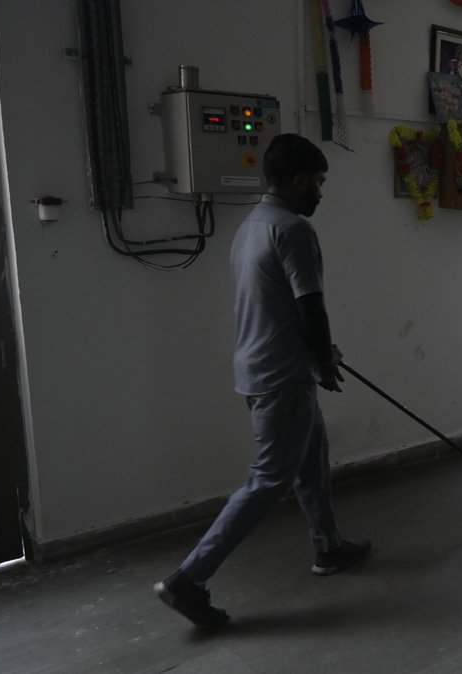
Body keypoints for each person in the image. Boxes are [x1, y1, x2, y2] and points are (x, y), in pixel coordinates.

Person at [155, 134, 368, 628]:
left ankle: (329, 548)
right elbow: (308, 306)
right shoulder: (293, 230)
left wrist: (319, 359)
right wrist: (324, 357)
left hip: (261, 369)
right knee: (268, 479)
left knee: (312, 461)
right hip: (282, 376)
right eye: (317, 183)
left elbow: (274, 306)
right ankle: (188, 579)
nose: (319, 192)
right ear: (297, 182)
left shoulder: (250, 226)